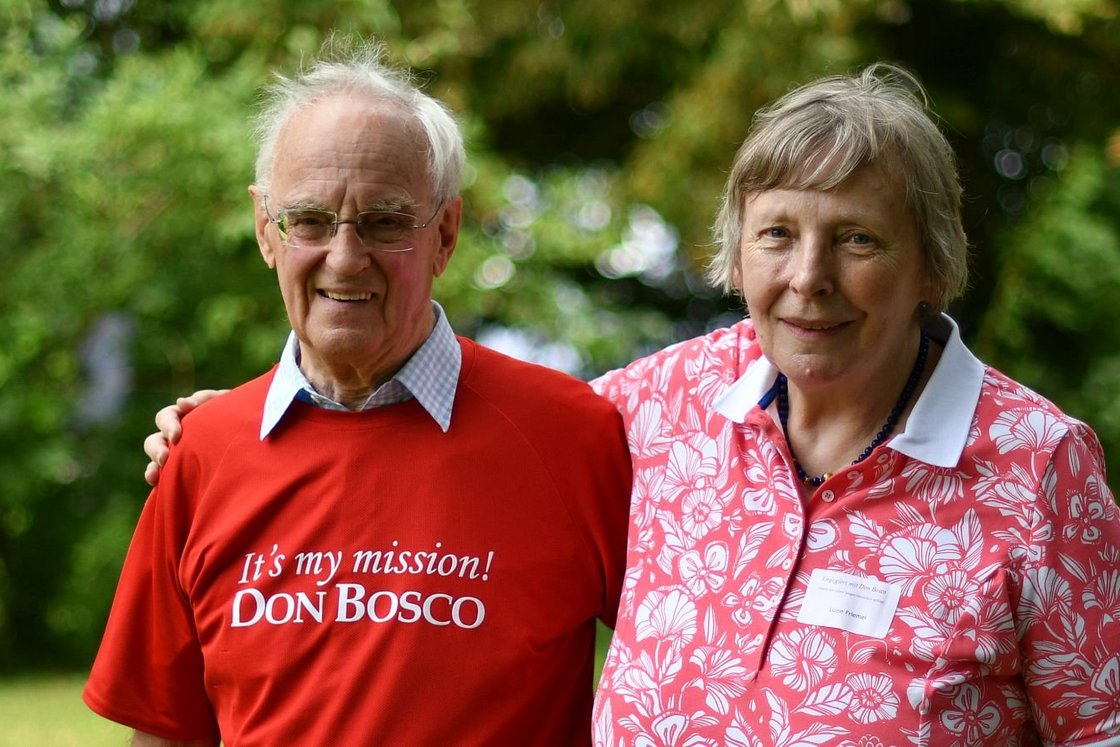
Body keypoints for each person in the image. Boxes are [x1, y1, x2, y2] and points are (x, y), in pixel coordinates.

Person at [143, 64, 1120, 745]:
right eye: (776, 234)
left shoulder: (1036, 471)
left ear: (931, 262)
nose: (807, 278)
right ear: (735, 256)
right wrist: (237, 427)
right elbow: (449, 428)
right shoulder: (650, 413)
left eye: (857, 240)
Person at [84, 37, 631, 746]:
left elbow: (695, 667)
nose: (346, 257)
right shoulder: (203, 453)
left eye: (386, 221)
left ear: (446, 234)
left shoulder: (573, 437)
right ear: (265, 229)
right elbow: (165, 730)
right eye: (309, 219)